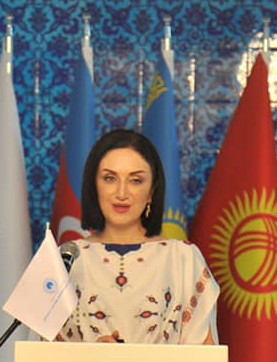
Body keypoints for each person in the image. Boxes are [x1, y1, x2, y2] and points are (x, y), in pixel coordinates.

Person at [55, 129, 218, 345]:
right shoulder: (65, 259)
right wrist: (91, 357)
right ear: (94, 186)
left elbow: (206, 358)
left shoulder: (183, 259)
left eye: (135, 180)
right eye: (110, 178)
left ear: (152, 191)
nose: (121, 193)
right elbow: (39, 353)